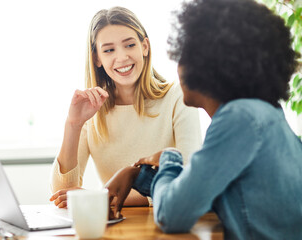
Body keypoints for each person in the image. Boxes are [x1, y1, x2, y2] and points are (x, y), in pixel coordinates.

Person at [105, 0, 302, 239]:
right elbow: (202, 195)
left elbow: (172, 214)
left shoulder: (238, 120)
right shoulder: (264, 114)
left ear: (206, 64)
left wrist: (170, 156)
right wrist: (138, 175)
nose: (178, 66)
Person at [49, 6, 202, 208]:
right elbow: (61, 193)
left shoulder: (178, 96)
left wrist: (101, 198)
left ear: (144, 47)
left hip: (165, 222)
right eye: (109, 50)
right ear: (97, 58)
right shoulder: (92, 108)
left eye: (129, 45)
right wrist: (73, 125)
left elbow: (189, 181)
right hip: (115, 226)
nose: (121, 58)